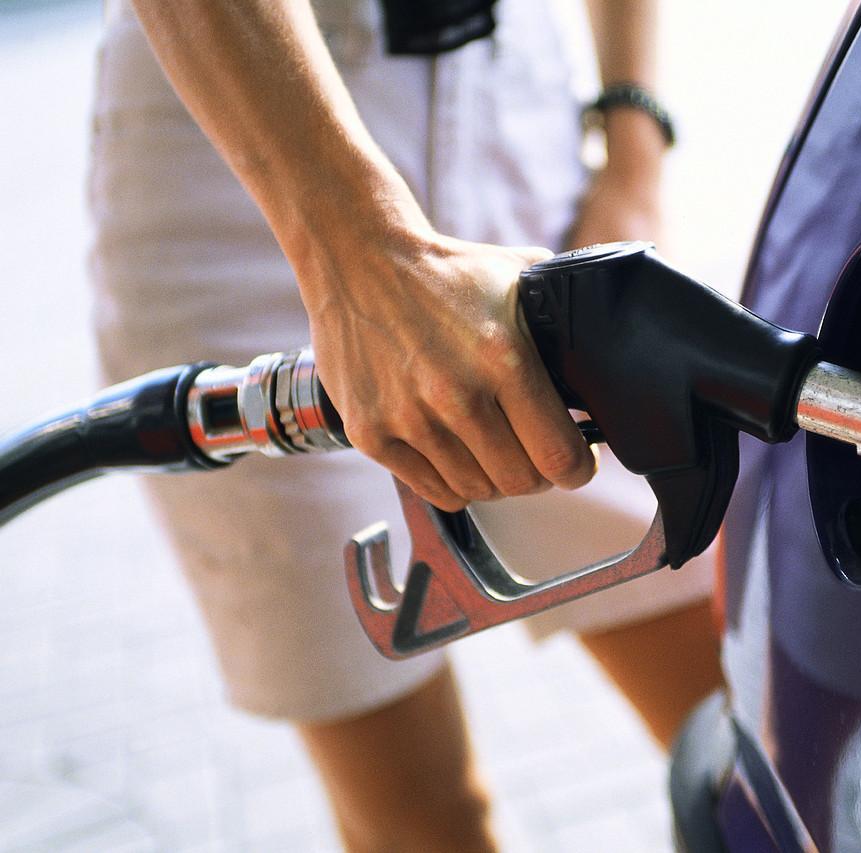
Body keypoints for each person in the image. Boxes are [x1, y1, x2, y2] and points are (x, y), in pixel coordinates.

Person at [89, 1, 722, 849]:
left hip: (515, 119)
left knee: (754, 724)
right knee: (425, 821)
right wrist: (355, 249)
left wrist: (633, 149)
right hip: (250, 129)